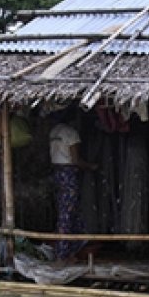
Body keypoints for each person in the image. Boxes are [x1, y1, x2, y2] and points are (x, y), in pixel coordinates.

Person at [48, 109, 91, 261]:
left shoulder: (54, 132)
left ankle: (68, 250)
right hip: (68, 174)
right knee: (68, 214)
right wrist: (91, 167)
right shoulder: (71, 133)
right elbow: (76, 160)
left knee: (65, 212)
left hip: (57, 173)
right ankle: (63, 254)